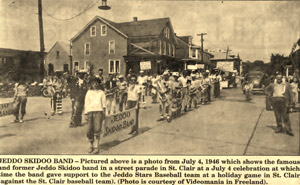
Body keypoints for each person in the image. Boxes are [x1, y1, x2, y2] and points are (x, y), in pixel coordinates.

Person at [84, 78, 106, 153]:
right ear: (91, 84)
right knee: (89, 129)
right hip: (90, 112)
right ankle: (91, 145)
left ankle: (97, 146)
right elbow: (86, 103)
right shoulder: (89, 92)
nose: (95, 84)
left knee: (97, 129)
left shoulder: (101, 92)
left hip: (99, 112)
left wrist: (104, 113)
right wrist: (86, 113)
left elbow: (104, 104)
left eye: (96, 83)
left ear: (98, 84)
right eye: (93, 83)